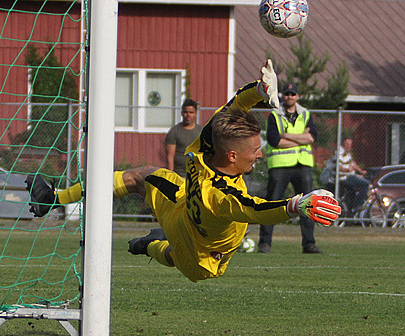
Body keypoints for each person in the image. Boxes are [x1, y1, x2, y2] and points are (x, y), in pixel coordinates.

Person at [24, 60, 340, 283]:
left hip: (188, 216)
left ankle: (67, 206)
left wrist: (259, 90)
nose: (260, 154)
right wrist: (295, 204)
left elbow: (232, 109)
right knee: (164, 229)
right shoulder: (221, 197)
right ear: (231, 155)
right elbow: (256, 209)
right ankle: (63, 203)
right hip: (201, 251)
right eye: (254, 150)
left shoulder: (204, 147)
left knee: (146, 192)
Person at [258, 82, 322, 254]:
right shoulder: (274, 116)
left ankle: (309, 244)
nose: (290, 97)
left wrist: (286, 135)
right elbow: (274, 141)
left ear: (298, 96)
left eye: (293, 94)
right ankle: (264, 243)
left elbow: (311, 138)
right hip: (280, 166)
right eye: (287, 94)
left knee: (308, 205)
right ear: (282, 96)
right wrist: (300, 137)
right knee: (271, 204)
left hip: (302, 165)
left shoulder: (306, 114)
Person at [164, 99, 203, 175]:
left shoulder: (201, 131)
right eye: (185, 112)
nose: (188, 115)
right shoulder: (174, 131)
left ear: (196, 113)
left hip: (197, 175)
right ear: (182, 113)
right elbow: (170, 157)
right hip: (179, 175)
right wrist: (171, 176)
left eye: (191, 112)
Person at [336, 137, 371, 212]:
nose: (349, 146)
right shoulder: (339, 152)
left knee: (353, 192)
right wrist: (347, 170)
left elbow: (353, 164)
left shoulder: (347, 153)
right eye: (347, 144)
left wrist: (361, 171)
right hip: (344, 177)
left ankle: (351, 210)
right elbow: (338, 166)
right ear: (343, 144)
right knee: (365, 184)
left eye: (350, 144)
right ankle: (358, 205)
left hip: (349, 176)